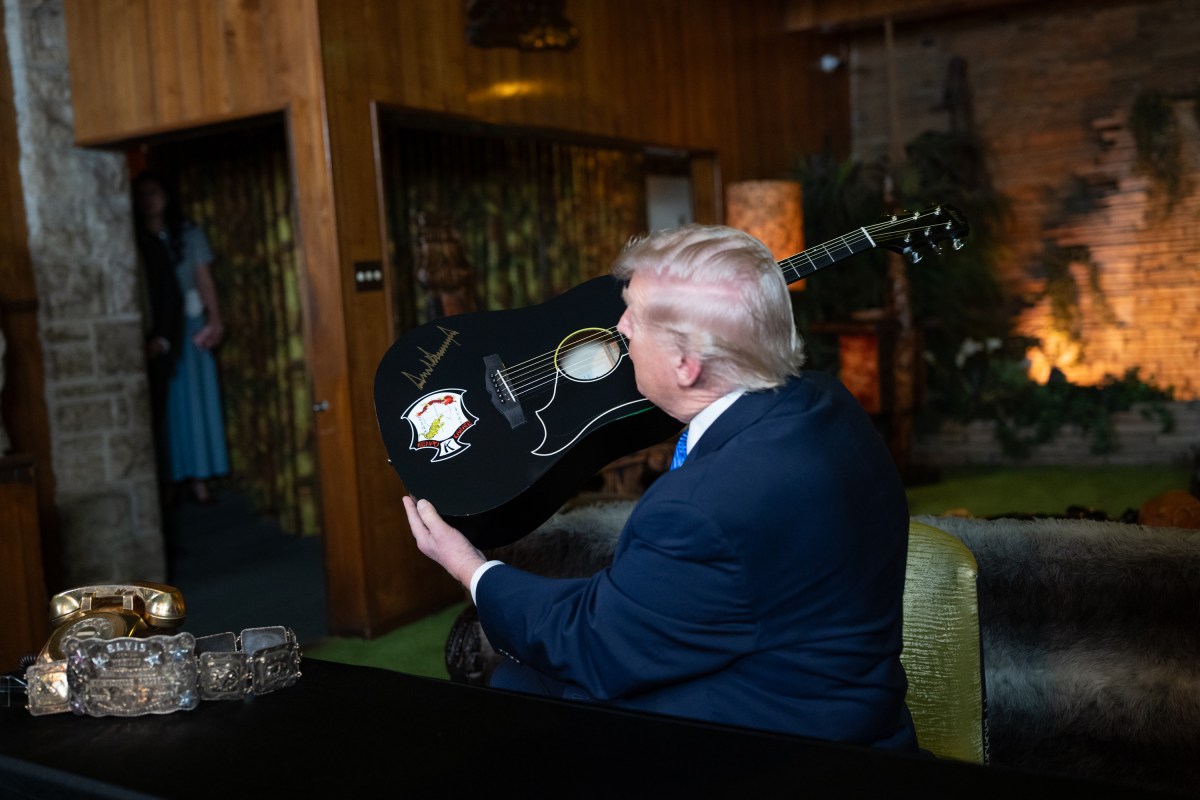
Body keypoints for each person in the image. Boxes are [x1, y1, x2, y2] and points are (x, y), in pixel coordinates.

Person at [403, 224, 918, 750]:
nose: (619, 327)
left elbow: (593, 645)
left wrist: (469, 567)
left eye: (635, 320)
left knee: (512, 690)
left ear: (686, 364)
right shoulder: (826, 401)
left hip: (784, 742)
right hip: (858, 707)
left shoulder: (699, 508)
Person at [132, 170, 230, 505]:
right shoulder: (133, 235)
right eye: (143, 194)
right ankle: (170, 477)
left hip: (189, 323)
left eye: (155, 192)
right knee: (167, 406)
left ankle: (200, 476)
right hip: (156, 326)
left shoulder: (188, 233)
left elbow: (205, 279)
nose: (150, 201)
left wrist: (215, 318)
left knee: (196, 402)